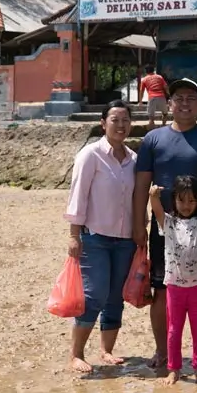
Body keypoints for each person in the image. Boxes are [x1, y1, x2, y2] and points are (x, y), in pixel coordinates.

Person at [133, 78, 197, 369]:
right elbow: (141, 185)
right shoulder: (153, 139)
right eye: (178, 98)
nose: (185, 103)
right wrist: (139, 222)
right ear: (169, 104)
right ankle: (162, 350)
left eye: (191, 98)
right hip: (165, 226)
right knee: (162, 287)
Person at [63, 99, 137, 373]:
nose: (120, 125)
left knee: (115, 296)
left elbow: (135, 200)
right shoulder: (90, 155)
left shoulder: (134, 160)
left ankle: (106, 350)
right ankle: (76, 354)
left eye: (125, 120)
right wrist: (74, 235)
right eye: (115, 119)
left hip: (125, 240)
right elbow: (77, 196)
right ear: (103, 123)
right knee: (94, 295)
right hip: (94, 237)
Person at [148, 177, 197, 385]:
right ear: (174, 200)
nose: (186, 206)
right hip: (175, 287)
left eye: (192, 201)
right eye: (182, 200)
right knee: (173, 330)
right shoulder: (168, 222)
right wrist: (152, 196)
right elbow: (157, 210)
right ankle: (174, 369)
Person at [139, 65, 169, 129]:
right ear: (153, 70)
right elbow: (165, 87)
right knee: (165, 113)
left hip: (152, 97)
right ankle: (164, 126)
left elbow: (141, 91)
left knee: (151, 117)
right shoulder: (159, 77)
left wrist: (140, 101)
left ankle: (151, 131)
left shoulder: (144, 79)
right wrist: (170, 96)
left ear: (146, 71)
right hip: (161, 96)